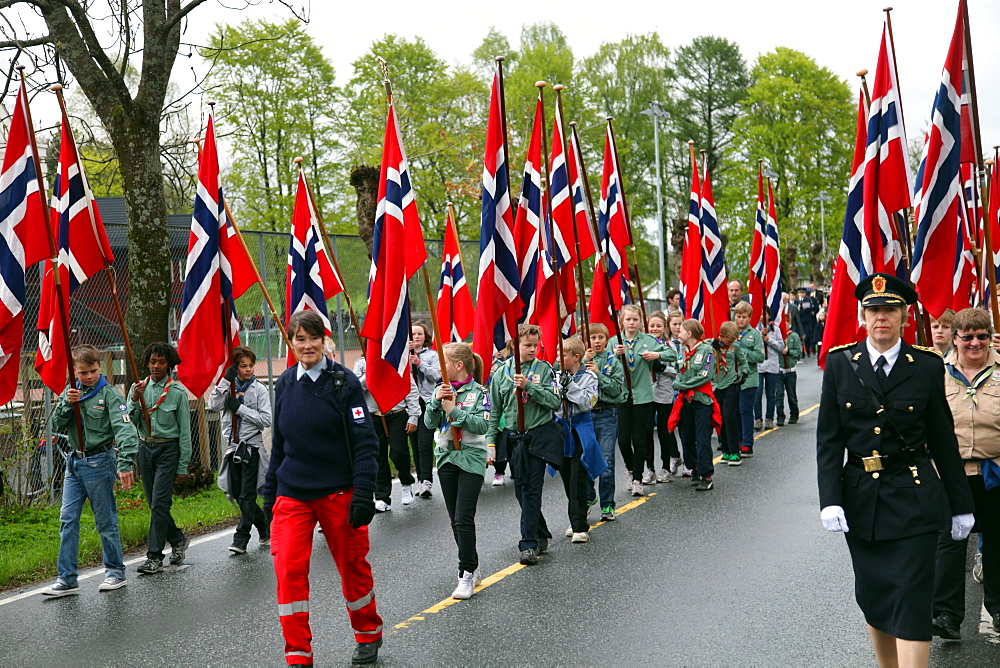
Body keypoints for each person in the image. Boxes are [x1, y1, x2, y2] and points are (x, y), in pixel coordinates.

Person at [817, 273, 974, 667]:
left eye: (890, 310)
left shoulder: (924, 365)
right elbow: (829, 441)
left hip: (913, 497)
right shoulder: (840, 363)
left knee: (911, 598)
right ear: (862, 316)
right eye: (874, 310)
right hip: (861, 501)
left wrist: (961, 503)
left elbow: (942, 440)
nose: (881, 317)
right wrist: (829, 500)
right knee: (875, 596)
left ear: (905, 316)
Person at [264, 310, 383, 666]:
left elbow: (365, 443)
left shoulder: (343, 383)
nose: (307, 345)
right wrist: (271, 493)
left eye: (313, 338)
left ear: (323, 340)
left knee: (351, 565)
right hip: (292, 494)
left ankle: (368, 634)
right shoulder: (284, 383)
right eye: (299, 339)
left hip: (338, 492)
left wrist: (363, 492)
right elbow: (280, 445)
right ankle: (298, 653)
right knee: (287, 570)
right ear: (291, 342)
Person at [42, 345, 139, 597]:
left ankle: (115, 572)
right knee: (67, 519)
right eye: (83, 372)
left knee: (105, 521)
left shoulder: (110, 395)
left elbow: (126, 430)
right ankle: (67, 579)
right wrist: (66, 403)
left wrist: (126, 462)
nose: (88, 377)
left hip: (100, 462)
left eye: (93, 371)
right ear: (74, 371)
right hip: (73, 462)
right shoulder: (70, 392)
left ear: (100, 368)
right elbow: (54, 425)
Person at [931, 308, 1000, 639]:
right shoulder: (936, 373)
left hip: (994, 472)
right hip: (951, 474)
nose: (975, 343)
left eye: (982, 336)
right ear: (955, 339)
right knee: (950, 540)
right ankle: (947, 614)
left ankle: (998, 608)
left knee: (998, 541)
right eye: (968, 336)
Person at [487, 323, 562, 566]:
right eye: (527, 345)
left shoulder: (545, 369)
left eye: (535, 345)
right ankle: (540, 531)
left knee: (531, 489)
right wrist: (491, 443)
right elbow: (495, 410)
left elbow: (553, 401)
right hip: (512, 438)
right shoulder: (500, 374)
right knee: (521, 491)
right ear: (514, 346)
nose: (532, 349)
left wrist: (529, 386)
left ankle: (528, 543)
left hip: (538, 436)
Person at [424, 343, 490, 599]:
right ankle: (472, 562)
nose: (441, 369)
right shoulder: (442, 390)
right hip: (446, 459)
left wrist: (455, 411)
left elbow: (482, 425)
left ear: (459, 365)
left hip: (471, 459)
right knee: (455, 520)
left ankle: (465, 572)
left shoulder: (480, 392)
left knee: (464, 517)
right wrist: (435, 403)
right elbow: (429, 423)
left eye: (445, 363)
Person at [128, 342, 192, 575]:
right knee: (154, 504)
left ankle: (154, 557)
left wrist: (183, 465)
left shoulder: (176, 393)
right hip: (146, 449)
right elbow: (129, 420)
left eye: (161, 362)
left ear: (169, 365)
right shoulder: (139, 389)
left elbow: (185, 432)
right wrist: (134, 400)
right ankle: (177, 539)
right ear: (147, 362)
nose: (156, 366)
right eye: (153, 361)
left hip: (168, 450)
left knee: (160, 503)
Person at [210, 345, 272, 554]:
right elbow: (214, 404)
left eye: (251, 365)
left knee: (247, 495)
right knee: (236, 493)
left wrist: (240, 409)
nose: (248, 369)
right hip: (233, 447)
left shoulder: (259, 389)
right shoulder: (229, 388)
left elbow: (266, 419)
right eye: (243, 366)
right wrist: (224, 382)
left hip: (252, 447)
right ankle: (263, 523)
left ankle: (241, 537)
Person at [612, 304, 676, 496]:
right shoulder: (615, 341)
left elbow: (673, 354)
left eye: (635, 319)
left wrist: (657, 355)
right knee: (623, 440)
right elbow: (605, 365)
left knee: (639, 438)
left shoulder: (648, 340)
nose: (632, 323)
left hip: (644, 396)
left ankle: (638, 479)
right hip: (623, 395)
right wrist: (615, 356)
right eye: (628, 319)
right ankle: (631, 470)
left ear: (641, 321)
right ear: (622, 321)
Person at [354, 355, 419, 512]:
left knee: (398, 452)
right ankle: (382, 496)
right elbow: (354, 389)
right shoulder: (361, 364)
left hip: (397, 413)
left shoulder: (397, 360)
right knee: (377, 456)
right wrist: (369, 375)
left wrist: (414, 416)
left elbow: (410, 388)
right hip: (374, 415)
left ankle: (406, 482)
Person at [555, 336, 603, 543]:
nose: (557, 357)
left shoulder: (589, 377)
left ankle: (579, 524)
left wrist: (570, 387)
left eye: (562, 354)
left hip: (580, 429)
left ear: (576, 357)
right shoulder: (555, 376)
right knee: (566, 476)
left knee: (577, 476)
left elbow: (588, 403)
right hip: (561, 429)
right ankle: (577, 513)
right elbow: (553, 402)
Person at [670, 319, 720, 491]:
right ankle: (695, 467)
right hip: (686, 401)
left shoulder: (706, 350)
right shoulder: (681, 351)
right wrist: (679, 383)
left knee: (702, 437)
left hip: (701, 400)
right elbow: (679, 373)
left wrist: (682, 385)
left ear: (689, 334)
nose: (678, 333)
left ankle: (707, 474)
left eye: (681, 331)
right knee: (686, 436)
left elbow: (705, 375)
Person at [584, 323, 627, 521]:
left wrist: (598, 374)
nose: (597, 341)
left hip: (606, 414)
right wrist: (584, 366)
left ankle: (608, 505)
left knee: (607, 462)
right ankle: (588, 496)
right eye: (593, 338)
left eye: (601, 337)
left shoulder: (613, 361)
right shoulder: (581, 360)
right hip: (585, 415)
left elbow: (616, 390)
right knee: (584, 460)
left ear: (607, 339)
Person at [408, 321, 442, 499]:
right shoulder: (403, 355)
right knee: (414, 444)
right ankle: (420, 479)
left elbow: (437, 375)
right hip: (411, 404)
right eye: (413, 334)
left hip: (428, 402)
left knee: (425, 442)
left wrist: (420, 363)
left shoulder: (433, 355)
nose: (416, 337)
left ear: (425, 337)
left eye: (420, 334)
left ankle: (427, 481)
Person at [709, 322, 747, 467]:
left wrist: (743, 374)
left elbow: (743, 362)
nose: (731, 343)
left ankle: (735, 451)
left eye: (733, 340)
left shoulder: (735, 347)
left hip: (730, 384)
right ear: (721, 336)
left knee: (730, 417)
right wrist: (712, 345)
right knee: (719, 418)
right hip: (716, 384)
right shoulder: (711, 346)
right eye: (728, 340)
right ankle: (725, 449)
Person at [647, 311, 676, 484]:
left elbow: (677, 371)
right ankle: (649, 469)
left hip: (664, 393)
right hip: (646, 394)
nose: (655, 329)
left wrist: (662, 368)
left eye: (659, 326)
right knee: (646, 432)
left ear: (664, 328)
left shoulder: (669, 347)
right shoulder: (642, 345)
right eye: (652, 326)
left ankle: (666, 466)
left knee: (664, 431)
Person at [733, 302, 764, 458]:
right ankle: (737, 440)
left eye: (744, 317)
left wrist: (741, 350)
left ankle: (747, 443)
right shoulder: (729, 332)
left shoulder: (754, 334)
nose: (740, 320)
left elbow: (760, 356)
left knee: (745, 411)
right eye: (738, 316)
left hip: (749, 379)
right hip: (732, 378)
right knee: (734, 412)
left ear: (749, 318)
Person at [753, 319, 784, 431]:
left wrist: (769, 340)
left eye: (764, 314)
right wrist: (760, 337)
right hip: (759, 366)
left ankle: (769, 418)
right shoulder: (754, 329)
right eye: (760, 314)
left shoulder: (776, 329)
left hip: (772, 365)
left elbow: (781, 347)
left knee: (771, 394)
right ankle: (757, 419)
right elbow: (751, 345)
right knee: (757, 393)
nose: (762, 316)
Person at [777, 313, 802, 426]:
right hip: (779, 370)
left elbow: (798, 352)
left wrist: (789, 352)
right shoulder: (777, 337)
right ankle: (780, 416)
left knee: (791, 394)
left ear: (789, 323)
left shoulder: (793, 336)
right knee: (779, 395)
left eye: (785, 323)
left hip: (790, 370)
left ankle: (794, 414)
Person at [794, 286, 819, 357]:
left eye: (803, 293)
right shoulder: (796, 301)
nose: (801, 294)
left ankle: (808, 349)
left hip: (807, 320)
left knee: (807, 335)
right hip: (799, 321)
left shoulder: (808, 300)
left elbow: (810, 308)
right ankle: (801, 351)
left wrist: (804, 308)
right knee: (799, 336)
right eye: (800, 293)